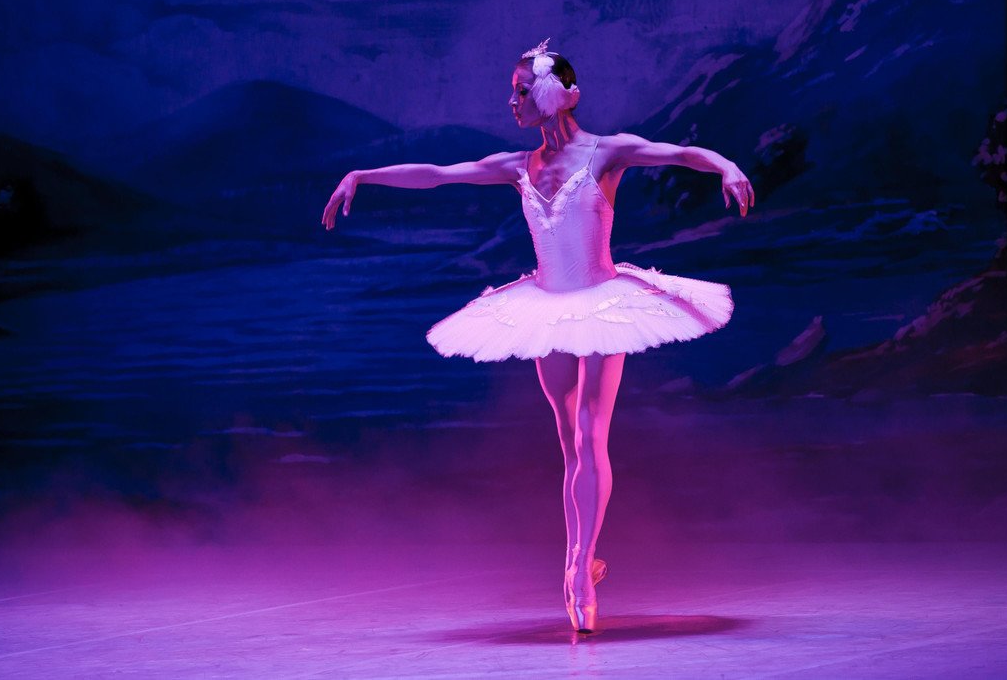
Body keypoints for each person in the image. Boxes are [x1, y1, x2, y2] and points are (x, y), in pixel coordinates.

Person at [322, 37, 754, 633]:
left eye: (522, 91)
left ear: (552, 95)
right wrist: (361, 175)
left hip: (604, 305)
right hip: (546, 311)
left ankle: (579, 570)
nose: (513, 102)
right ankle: (578, 559)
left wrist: (726, 165)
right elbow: (439, 175)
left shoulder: (605, 153)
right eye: (513, 92)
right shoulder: (516, 166)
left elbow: (676, 153)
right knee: (571, 444)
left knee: (590, 431)